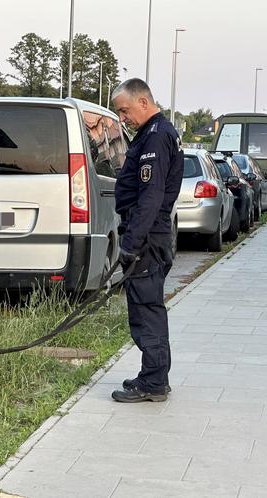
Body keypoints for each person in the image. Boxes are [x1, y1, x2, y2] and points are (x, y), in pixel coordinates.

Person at [111, 78, 184, 403]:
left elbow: (150, 196)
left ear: (143, 101)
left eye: (124, 110)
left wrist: (131, 243)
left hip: (147, 239)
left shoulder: (155, 138)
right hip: (151, 235)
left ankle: (154, 383)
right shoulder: (155, 133)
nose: (122, 117)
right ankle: (152, 376)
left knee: (146, 310)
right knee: (146, 308)